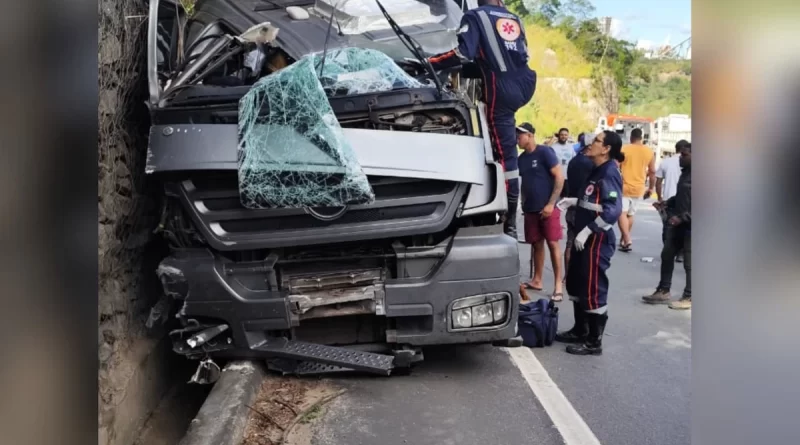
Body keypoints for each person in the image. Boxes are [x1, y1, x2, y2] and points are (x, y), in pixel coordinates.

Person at [421, 0, 536, 238]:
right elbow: (512, 55)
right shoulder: (513, 18)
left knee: (506, 155)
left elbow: (464, 53)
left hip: (501, 88)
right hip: (525, 82)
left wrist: (430, 63)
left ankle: (510, 221)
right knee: (502, 144)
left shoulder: (475, 16)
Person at [554, 131, 625, 356]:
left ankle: (594, 341)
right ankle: (580, 329)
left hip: (596, 240)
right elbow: (594, 201)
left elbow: (612, 210)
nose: (591, 143)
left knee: (594, 287)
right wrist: (575, 201)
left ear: (606, 149)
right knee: (577, 282)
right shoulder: (595, 170)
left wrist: (589, 230)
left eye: (597, 141)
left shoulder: (610, 172)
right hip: (582, 237)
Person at [516, 123, 565, 301]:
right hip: (531, 208)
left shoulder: (545, 152)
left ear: (530, 135)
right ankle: (537, 279)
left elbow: (559, 177)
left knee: (553, 244)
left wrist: (551, 204)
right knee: (536, 244)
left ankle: (558, 284)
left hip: (548, 207)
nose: (517, 139)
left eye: (520, 135)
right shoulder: (521, 159)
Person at [642, 142, 692, 310]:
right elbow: (681, 196)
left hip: (690, 226)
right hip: (678, 222)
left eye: (685, 156)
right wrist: (666, 203)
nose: (680, 159)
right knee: (667, 254)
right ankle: (663, 290)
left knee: (689, 263)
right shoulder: (687, 173)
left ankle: (689, 296)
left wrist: (683, 217)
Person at [562, 134, 595, 292]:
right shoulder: (590, 164)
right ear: (589, 146)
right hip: (582, 207)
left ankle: (568, 276)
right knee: (584, 243)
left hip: (571, 205)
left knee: (570, 242)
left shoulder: (574, 161)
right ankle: (581, 277)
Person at [617, 128, 656, 252]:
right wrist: (650, 188)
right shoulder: (649, 151)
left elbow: (616, 166)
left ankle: (627, 238)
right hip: (639, 188)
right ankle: (624, 240)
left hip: (624, 186)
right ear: (642, 137)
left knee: (621, 213)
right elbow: (652, 171)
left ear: (631, 137)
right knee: (630, 214)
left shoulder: (624, 149)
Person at [655, 140, 689, 261]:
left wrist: (659, 198)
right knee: (683, 228)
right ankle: (679, 253)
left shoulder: (666, 162)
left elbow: (658, 182)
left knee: (668, 227)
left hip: (669, 200)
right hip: (684, 202)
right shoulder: (688, 163)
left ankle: (669, 251)